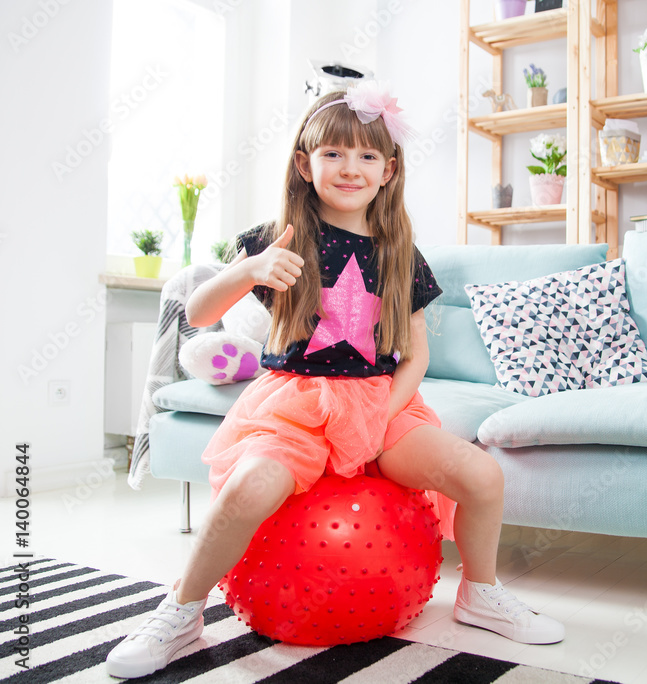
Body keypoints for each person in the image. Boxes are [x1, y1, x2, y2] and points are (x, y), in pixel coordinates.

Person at [105, 83, 564, 679]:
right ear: (304, 162)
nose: (351, 168)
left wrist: (379, 419)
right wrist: (248, 270)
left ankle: (481, 595)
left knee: (481, 473)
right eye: (333, 154)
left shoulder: (402, 251)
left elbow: (415, 356)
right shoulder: (278, 238)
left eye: (367, 156)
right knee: (248, 490)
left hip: (383, 401)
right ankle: (183, 608)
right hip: (294, 402)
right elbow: (196, 315)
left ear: (388, 170)